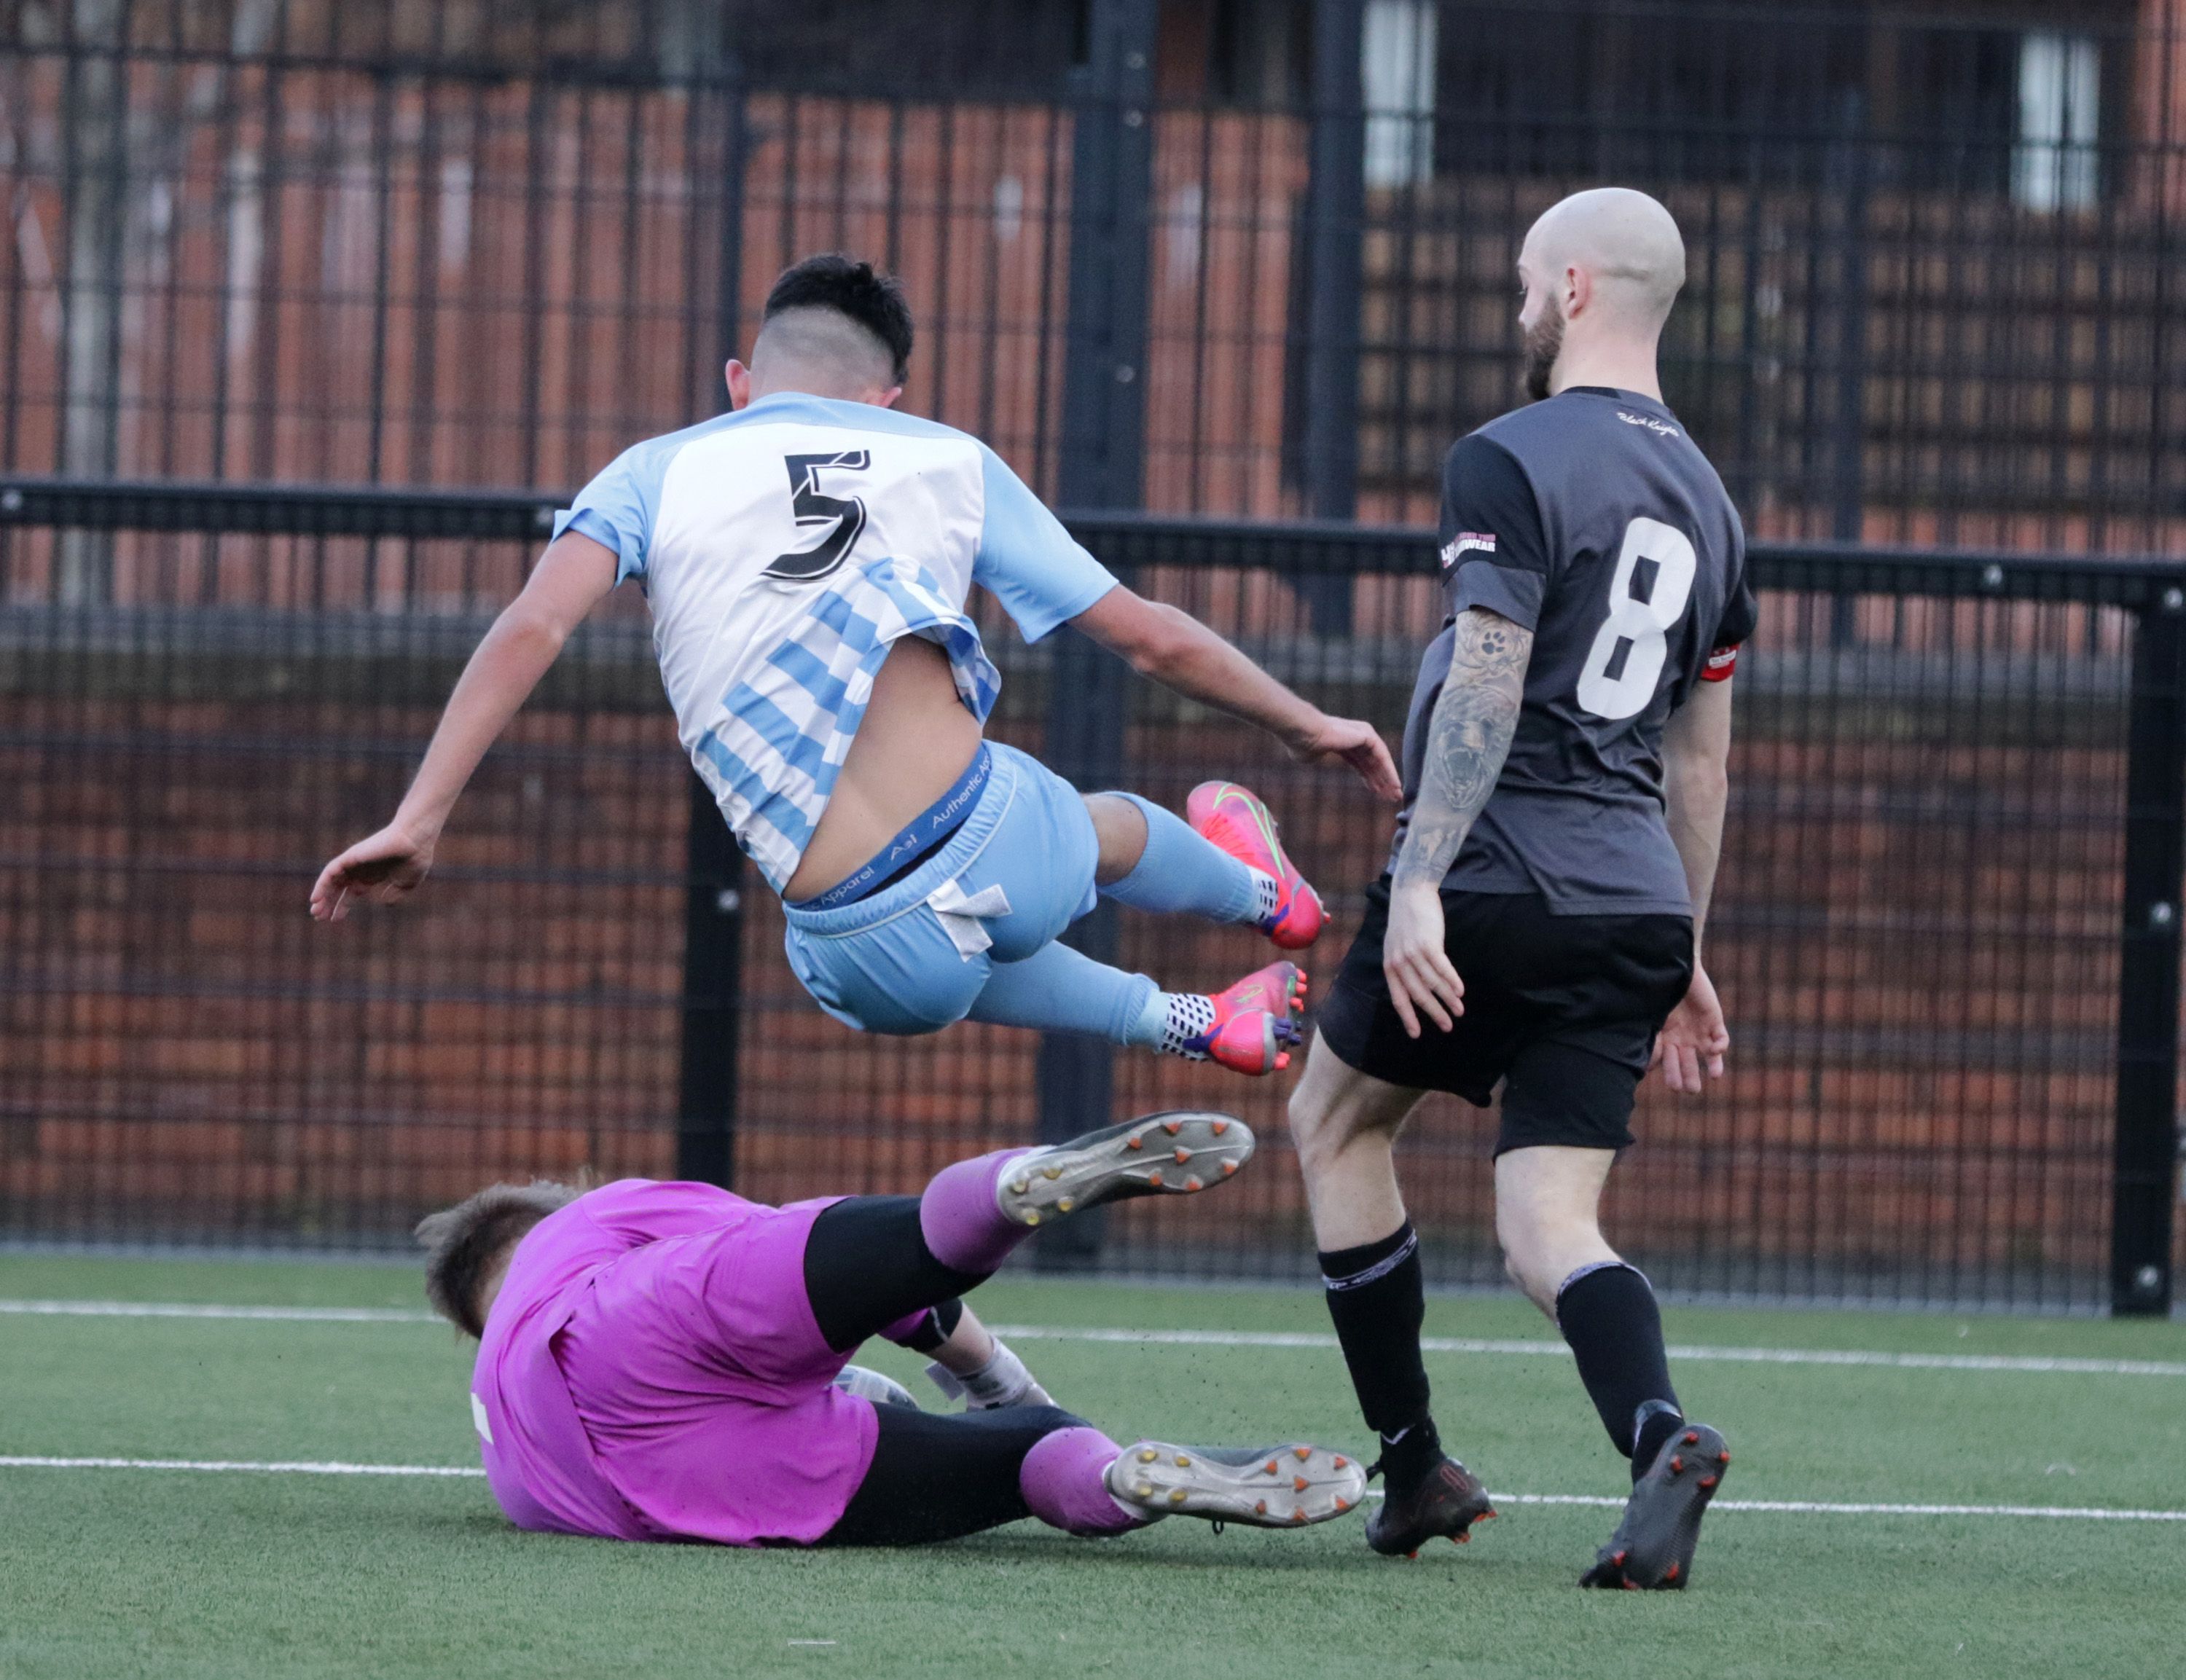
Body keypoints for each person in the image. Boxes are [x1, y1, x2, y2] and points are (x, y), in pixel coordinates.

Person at [311, 254, 1398, 1076]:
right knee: (1095, 820)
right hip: (1001, 839)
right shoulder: (946, 459)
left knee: (921, 948)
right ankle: (1269, 896)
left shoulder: (651, 473)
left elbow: (530, 630)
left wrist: (419, 817)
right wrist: (1308, 723)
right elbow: (1150, 634)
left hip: (864, 953)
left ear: (742, 382)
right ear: (887, 401)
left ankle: (1198, 1023)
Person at [1285, 188, 1755, 1589]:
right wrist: (1685, 947)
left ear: (1570, 287)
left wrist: (1420, 872)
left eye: (1518, 286)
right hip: (1632, 902)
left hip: (1496, 870)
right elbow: (1704, 767)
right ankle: (1657, 1429)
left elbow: (1489, 671)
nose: (1515, 310)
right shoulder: (1719, 509)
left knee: (1334, 1119)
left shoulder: (1509, 454)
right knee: (1553, 1221)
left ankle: (1415, 1461)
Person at [421, 1111, 1368, 1546]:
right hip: (640, 1313)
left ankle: (1115, 1475)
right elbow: (841, 1276)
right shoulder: (590, 1226)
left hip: (665, 1488)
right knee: (913, 1244)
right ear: (548, 1209)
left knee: (1020, 1465)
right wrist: (995, 1375)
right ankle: (1007, 1189)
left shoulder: (500, 1412)